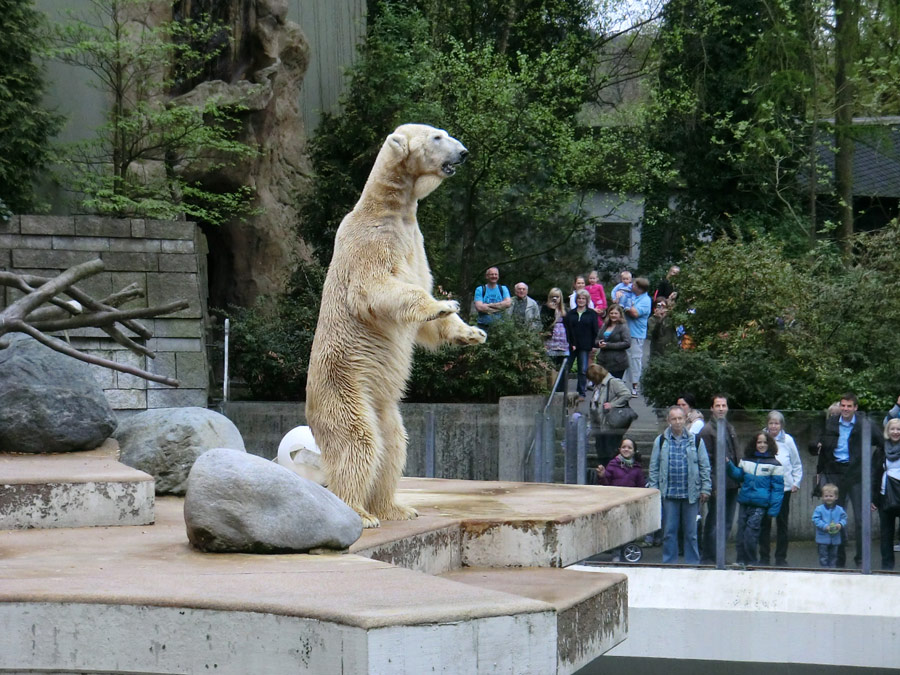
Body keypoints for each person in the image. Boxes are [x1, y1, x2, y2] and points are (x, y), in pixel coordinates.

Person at [815, 392, 883, 567]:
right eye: (843, 405)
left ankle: (862, 559)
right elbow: (819, 443)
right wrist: (817, 448)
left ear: (855, 408)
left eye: (849, 406)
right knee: (835, 516)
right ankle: (838, 558)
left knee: (861, 519)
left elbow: (882, 441)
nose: (845, 409)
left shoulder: (864, 423)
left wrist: (871, 462)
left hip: (856, 474)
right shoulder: (832, 422)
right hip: (835, 472)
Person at [648, 405, 711, 564]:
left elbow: (704, 466)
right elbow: (654, 467)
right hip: (669, 494)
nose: (677, 422)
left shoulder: (696, 440)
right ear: (668, 421)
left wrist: (705, 488)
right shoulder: (661, 441)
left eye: (680, 418)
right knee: (669, 532)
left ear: (685, 419)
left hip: (691, 494)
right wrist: (654, 490)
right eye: (674, 419)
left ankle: (692, 564)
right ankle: (669, 563)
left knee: (691, 533)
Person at [726, 432, 784, 567]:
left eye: (765, 442)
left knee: (750, 534)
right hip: (745, 502)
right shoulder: (746, 460)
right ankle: (741, 560)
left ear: (769, 444)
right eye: (759, 442)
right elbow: (739, 475)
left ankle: (751, 561)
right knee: (741, 533)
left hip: (760, 505)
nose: (762, 445)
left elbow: (777, 489)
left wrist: (773, 510)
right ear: (754, 444)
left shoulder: (775, 464)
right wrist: (729, 465)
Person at [699, 394, 739, 563]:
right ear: (711, 408)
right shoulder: (707, 431)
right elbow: (706, 461)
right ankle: (710, 556)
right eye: (718, 405)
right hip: (718, 483)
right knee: (715, 520)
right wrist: (712, 484)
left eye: (724, 405)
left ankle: (719, 555)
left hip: (732, 482)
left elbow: (736, 454)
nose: (721, 408)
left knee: (727, 521)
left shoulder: (729, 427)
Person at [759, 411, 803, 566]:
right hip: (765, 488)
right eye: (771, 423)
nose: (773, 426)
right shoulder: (761, 439)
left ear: (781, 425)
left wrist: (796, 482)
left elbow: (796, 463)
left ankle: (781, 558)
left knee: (782, 524)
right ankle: (764, 557)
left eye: (776, 423)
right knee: (764, 523)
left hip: (783, 489)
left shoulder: (788, 440)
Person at [587, 363, 632, 466]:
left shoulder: (613, 382)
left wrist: (613, 404)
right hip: (600, 426)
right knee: (601, 451)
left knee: (610, 451)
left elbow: (626, 394)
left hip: (611, 425)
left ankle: (611, 474)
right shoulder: (598, 386)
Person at [872, 418, 900, 570]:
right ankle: (887, 568)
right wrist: (873, 498)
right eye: (893, 429)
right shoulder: (881, 450)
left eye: (898, 429)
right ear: (887, 431)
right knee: (886, 535)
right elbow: (874, 474)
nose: (895, 432)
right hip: (885, 496)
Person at [563, 289, 599, 402]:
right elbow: (567, 329)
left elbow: (595, 330)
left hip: (585, 345)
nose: (581, 300)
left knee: (583, 370)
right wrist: (571, 343)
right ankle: (561, 391)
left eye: (583, 298)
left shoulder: (592, 313)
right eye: (579, 298)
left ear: (587, 300)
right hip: (572, 345)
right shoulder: (571, 314)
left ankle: (581, 393)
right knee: (565, 369)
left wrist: (594, 344)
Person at [624, 277, 651, 397]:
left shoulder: (645, 300)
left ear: (640, 288)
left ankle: (635, 386)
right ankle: (622, 385)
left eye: (634, 285)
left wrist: (625, 306)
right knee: (624, 359)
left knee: (634, 359)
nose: (631, 286)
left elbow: (635, 313)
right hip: (626, 332)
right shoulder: (634, 296)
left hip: (636, 334)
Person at [812, 484, 847, 568]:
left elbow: (844, 518)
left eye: (831, 496)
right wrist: (824, 526)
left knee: (834, 556)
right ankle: (824, 570)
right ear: (822, 497)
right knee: (823, 557)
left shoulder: (839, 509)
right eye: (826, 496)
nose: (828, 498)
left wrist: (840, 524)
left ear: (836, 497)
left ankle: (832, 570)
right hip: (822, 539)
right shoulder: (819, 509)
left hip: (835, 538)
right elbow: (815, 519)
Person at [541, 288, 569, 381]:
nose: (555, 299)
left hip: (562, 340)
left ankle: (560, 388)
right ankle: (551, 386)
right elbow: (545, 323)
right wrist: (552, 310)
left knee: (561, 365)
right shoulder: (545, 308)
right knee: (550, 364)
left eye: (557, 297)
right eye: (552, 297)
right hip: (550, 339)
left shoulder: (564, 309)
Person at [595, 304, 630, 379]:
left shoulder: (623, 327)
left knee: (614, 386)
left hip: (617, 363)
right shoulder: (605, 325)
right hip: (603, 361)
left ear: (620, 314)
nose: (613, 315)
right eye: (611, 313)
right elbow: (597, 339)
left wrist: (608, 345)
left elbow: (627, 343)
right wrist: (599, 343)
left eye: (616, 313)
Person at [473, 267, 511, 332]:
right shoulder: (480, 289)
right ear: (487, 276)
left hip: (500, 326)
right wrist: (500, 306)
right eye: (491, 274)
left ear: (498, 276)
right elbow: (479, 307)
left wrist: (488, 306)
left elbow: (508, 303)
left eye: (496, 274)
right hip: (483, 326)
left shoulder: (503, 289)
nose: (494, 276)